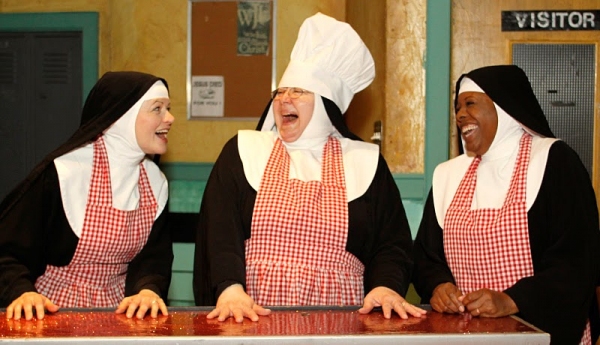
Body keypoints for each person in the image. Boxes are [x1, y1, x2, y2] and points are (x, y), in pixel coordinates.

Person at [193, 12, 425, 322]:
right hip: (249, 316)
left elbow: (391, 244)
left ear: (326, 105)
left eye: (298, 91)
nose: (284, 99)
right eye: (280, 92)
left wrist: (385, 286)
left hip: (339, 322)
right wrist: (228, 287)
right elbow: (219, 232)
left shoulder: (365, 161)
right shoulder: (244, 151)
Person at [412, 65, 600, 345]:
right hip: (465, 337)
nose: (460, 114)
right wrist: (438, 286)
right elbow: (426, 257)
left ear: (504, 108)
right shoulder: (447, 175)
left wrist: (513, 300)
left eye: (470, 103)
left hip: (541, 333)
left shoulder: (553, 160)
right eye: (457, 107)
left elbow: (577, 261)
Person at [0, 71, 175, 321]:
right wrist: (21, 292)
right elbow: (8, 250)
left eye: (168, 108)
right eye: (157, 108)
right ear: (119, 118)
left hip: (120, 315)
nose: (170, 118)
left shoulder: (154, 181)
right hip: (51, 313)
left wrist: (147, 289)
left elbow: (152, 258)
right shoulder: (65, 173)